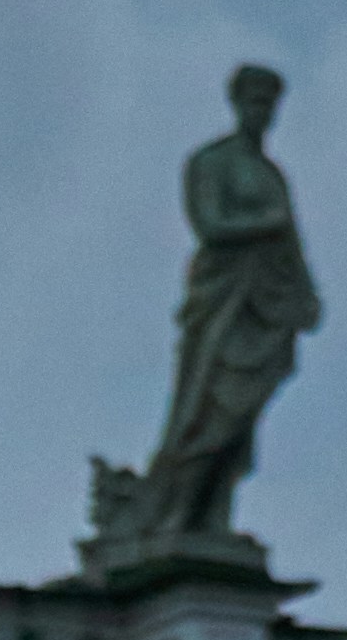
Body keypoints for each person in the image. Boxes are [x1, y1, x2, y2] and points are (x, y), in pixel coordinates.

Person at [113, 67, 322, 554]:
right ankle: (174, 516)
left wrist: (306, 293)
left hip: (267, 305)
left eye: (269, 104)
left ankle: (214, 516)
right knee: (206, 408)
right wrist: (264, 222)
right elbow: (210, 224)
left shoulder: (272, 174)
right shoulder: (211, 161)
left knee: (243, 417)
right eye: (254, 101)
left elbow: (291, 241)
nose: (261, 112)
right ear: (237, 104)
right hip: (223, 299)